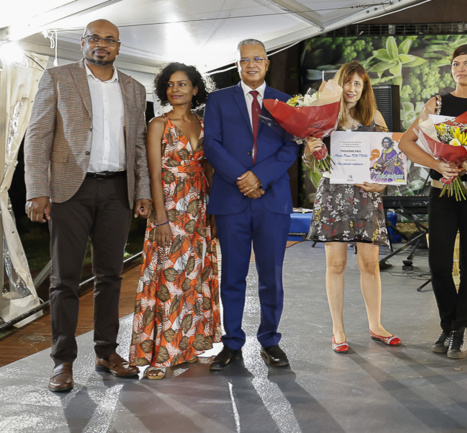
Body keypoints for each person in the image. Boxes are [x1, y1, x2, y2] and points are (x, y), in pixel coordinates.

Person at [23, 19, 151, 392]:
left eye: (109, 40)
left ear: (118, 47)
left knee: (111, 276)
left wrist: (141, 190)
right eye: (95, 38)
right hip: (68, 191)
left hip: (116, 191)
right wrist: (36, 190)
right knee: (64, 281)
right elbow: (38, 136)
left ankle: (107, 352)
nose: (102, 45)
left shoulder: (134, 88)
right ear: (83, 43)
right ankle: (62, 361)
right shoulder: (58, 78)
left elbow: (140, 145)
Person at [398, 44, 467, 359]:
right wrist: (438, 164)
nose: (461, 69)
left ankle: (462, 330)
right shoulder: (436, 103)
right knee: (438, 263)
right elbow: (407, 142)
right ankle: (447, 325)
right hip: (442, 190)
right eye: (456, 64)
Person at [203, 39, 298, 371]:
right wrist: (242, 177)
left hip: (272, 201)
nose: (252, 64)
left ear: (267, 63)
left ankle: (270, 341)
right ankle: (232, 344)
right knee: (232, 275)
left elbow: (290, 149)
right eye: (245, 60)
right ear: (238, 64)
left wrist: (259, 178)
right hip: (232, 199)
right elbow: (211, 145)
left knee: (271, 275)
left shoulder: (286, 103)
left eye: (258, 58)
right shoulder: (217, 100)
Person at [129, 63, 219, 380]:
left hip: (198, 210)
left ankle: (190, 347)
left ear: (196, 89)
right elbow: (154, 174)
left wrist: (213, 213)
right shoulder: (158, 125)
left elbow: (208, 170)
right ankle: (161, 357)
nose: (175, 89)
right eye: (170, 85)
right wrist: (162, 218)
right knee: (169, 282)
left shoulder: (205, 124)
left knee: (193, 280)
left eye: (182, 84)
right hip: (169, 209)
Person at [305, 61, 400, 353]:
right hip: (333, 195)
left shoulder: (375, 116)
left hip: (366, 196)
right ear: (339, 83)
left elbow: (389, 161)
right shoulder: (323, 117)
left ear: (364, 89)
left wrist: (382, 184)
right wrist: (311, 151)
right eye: (348, 82)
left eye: (358, 84)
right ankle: (338, 330)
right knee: (336, 264)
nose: (352, 88)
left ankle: (376, 325)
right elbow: (311, 163)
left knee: (370, 264)